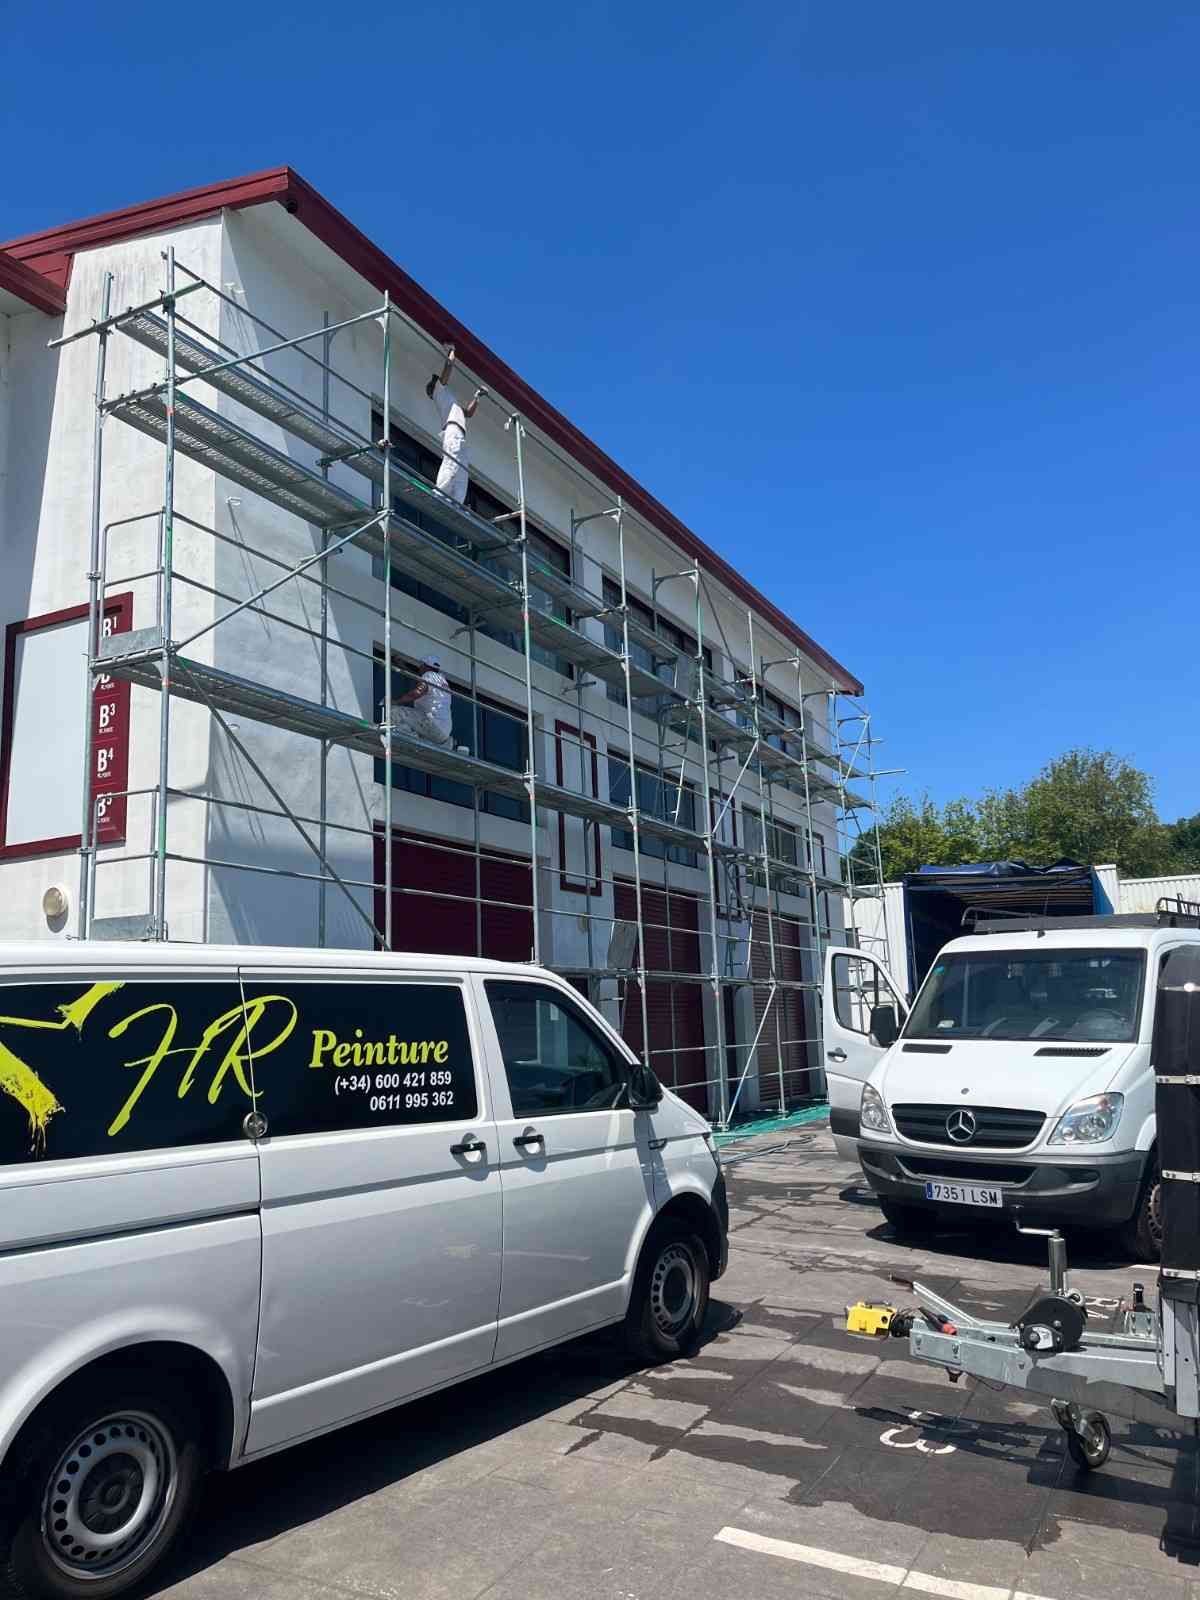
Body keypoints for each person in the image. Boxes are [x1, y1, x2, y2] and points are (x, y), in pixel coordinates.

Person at [426, 346, 486, 506]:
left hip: (460, 435)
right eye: (436, 381)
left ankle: (457, 503)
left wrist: (477, 397)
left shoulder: (452, 403)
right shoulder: (438, 392)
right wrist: (452, 350)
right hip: (452, 432)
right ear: (433, 389)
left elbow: (468, 413)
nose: (438, 380)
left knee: (461, 472)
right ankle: (439, 494)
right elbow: (449, 365)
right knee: (451, 464)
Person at [384, 656, 453, 748]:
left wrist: (396, 702)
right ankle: (417, 738)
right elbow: (418, 679)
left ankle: (411, 738)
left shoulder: (429, 675)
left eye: (421, 666)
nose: (419, 668)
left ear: (425, 666)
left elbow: (418, 692)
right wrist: (402, 666)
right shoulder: (442, 680)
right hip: (443, 734)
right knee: (415, 721)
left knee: (394, 712)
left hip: (431, 724)